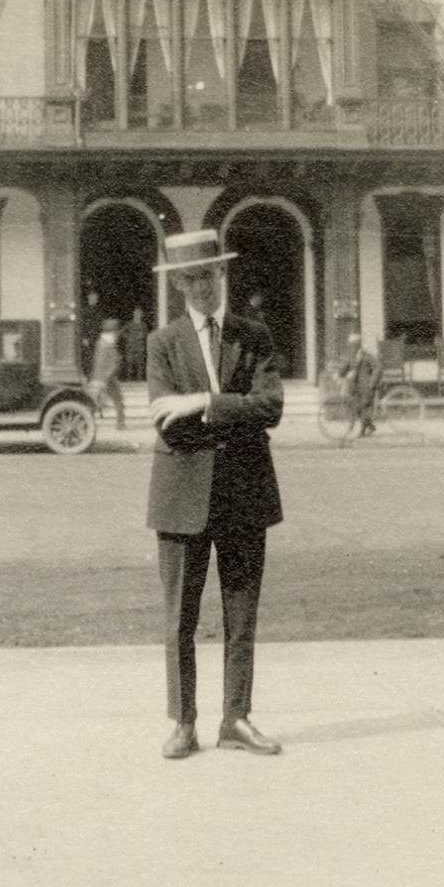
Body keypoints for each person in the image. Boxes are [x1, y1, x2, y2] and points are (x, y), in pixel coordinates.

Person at [145, 229, 285, 760]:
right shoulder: (163, 343)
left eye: (211, 274)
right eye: (192, 277)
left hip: (245, 494)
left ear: (223, 275)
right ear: (179, 283)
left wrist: (202, 400)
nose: (204, 286)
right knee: (179, 617)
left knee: (242, 614)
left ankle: (237, 718)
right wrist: (231, 411)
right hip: (181, 498)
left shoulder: (254, 337)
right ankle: (183, 722)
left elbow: (271, 406)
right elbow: (168, 423)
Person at [333, 332, 380, 439]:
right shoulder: (353, 356)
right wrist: (339, 374)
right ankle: (369, 425)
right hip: (355, 386)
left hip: (366, 385)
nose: (351, 346)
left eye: (354, 344)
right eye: (350, 344)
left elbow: (377, 368)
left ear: (358, 344)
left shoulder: (366, 356)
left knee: (364, 405)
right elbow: (346, 366)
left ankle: (363, 430)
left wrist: (372, 383)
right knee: (353, 404)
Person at [87, 318, 125, 429]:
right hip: (108, 378)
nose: (117, 335)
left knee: (96, 401)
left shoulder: (100, 343)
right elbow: (113, 364)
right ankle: (120, 423)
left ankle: (87, 421)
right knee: (118, 401)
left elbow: (97, 362)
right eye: (115, 332)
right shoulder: (109, 345)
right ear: (112, 332)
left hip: (98, 377)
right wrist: (106, 378)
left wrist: (96, 378)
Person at [122, 307, 148, 381]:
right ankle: (129, 380)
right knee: (129, 364)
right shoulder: (129, 324)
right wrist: (128, 337)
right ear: (133, 314)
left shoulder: (143, 325)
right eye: (136, 313)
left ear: (141, 315)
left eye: (139, 314)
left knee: (140, 364)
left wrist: (142, 336)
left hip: (140, 347)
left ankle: (139, 380)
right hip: (131, 347)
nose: (137, 315)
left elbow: (146, 334)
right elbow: (122, 332)